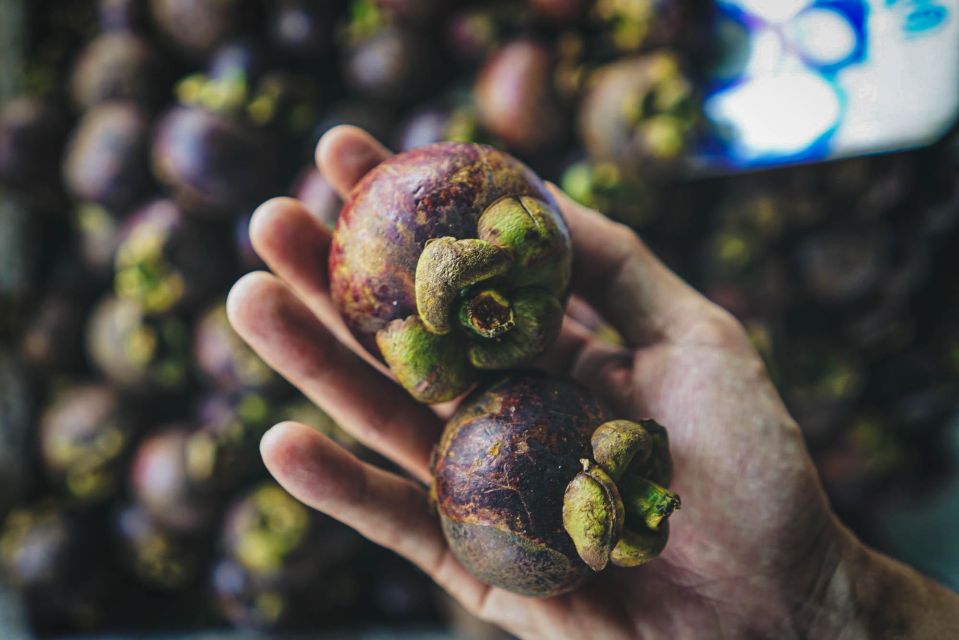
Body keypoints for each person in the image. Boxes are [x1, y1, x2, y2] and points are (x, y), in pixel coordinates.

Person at [226, 126, 959, 639]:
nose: (664, 498)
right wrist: (825, 611)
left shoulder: (514, 312)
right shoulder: (467, 320)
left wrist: (823, 604)